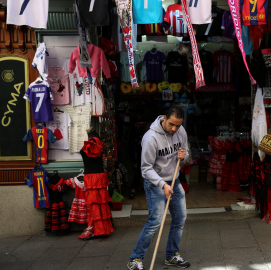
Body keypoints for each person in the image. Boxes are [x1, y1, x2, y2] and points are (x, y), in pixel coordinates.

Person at [128, 106, 190, 270]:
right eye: (171, 124)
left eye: (178, 125)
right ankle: (135, 259)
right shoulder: (150, 138)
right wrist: (162, 185)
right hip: (156, 182)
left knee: (180, 218)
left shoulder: (180, 130)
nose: (174, 129)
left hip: (174, 180)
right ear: (164, 118)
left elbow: (186, 153)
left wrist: (184, 157)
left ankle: (172, 255)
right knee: (155, 221)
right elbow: (145, 169)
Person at [78, 127, 114, 240]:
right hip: (98, 176)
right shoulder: (97, 141)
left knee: (95, 205)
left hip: (92, 177)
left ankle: (96, 230)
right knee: (100, 204)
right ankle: (102, 229)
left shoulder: (92, 142)